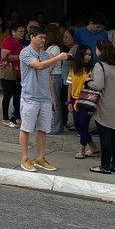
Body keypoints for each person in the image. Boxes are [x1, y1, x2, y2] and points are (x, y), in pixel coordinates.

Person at [17, 24, 69, 172]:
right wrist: (58, 57)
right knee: (26, 128)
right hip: (30, 96)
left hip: (45, 97)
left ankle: (40, 157)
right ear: (32, 37)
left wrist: (52, 96)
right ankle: (25, 158)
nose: (43, 40)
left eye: (44, 38)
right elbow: (38, 66)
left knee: (43, 129)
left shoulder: (45, 54)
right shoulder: (25, 53)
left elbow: (48, 77)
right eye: (40, 38)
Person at [86, 39, 115, 175]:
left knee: (105, 136)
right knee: (114, 135)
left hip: (104, 105)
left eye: (96, 49)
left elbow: (98, 85)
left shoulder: (99, 66)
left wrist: (88, 81)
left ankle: (105, 165)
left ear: (101, 51)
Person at [68, 44, 100, 159]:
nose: (88, 57)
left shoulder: (93, 69)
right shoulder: (73, 69)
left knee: (83, 125)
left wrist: (93, 106)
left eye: (90, 54)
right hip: (75, 99)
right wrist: (69, 102)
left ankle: (81, 150)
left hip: (87, 100)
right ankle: (93, 146)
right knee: (78, 125)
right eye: (85, 54)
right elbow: (70, 85)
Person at [0, 24, 26, 127]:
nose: (22, 33)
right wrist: (19, 57)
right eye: (20, 31)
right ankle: (5, 118)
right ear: (13, 32)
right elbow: (4, 56)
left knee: (17, 95)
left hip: (18, 72)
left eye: (23, 31)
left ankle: (18, 117)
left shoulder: (19, 42)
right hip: (9, 72)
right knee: (7, 95)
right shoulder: (8, 41)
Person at [45, 23, 66, 135]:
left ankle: (54, 127)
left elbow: (51, 64)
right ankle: (57, 125)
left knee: (54, 101)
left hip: (53, 76)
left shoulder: (54, 48)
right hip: (54, 76)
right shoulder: (52, 47)